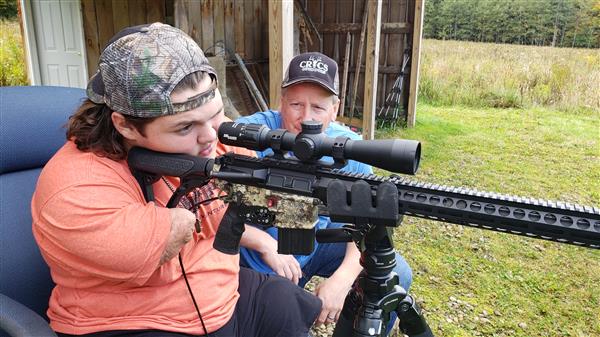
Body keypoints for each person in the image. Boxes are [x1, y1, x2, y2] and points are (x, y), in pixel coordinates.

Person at [31, 23, 321, 337]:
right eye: (185, 128)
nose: (211, 136)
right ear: (126, 126)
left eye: (215, 114)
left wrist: (311, 203)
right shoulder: (76, 187)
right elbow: (177, 230)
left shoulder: (209, 136)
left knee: (284, 302)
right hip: (129, 321)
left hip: (219, 294)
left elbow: (261, 198)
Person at [235, 52, 413, 333]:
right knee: (283, 317)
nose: (306, 118)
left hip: (316, 245)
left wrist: (342, 280)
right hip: (255, 261)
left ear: (335, 109)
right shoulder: (248, 134)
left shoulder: (352, 149)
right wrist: (262, 243)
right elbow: (206, 210)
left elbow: (362, 224)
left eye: (318, 107)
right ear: (281, 102)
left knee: (396, 274)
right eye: (295, 104)